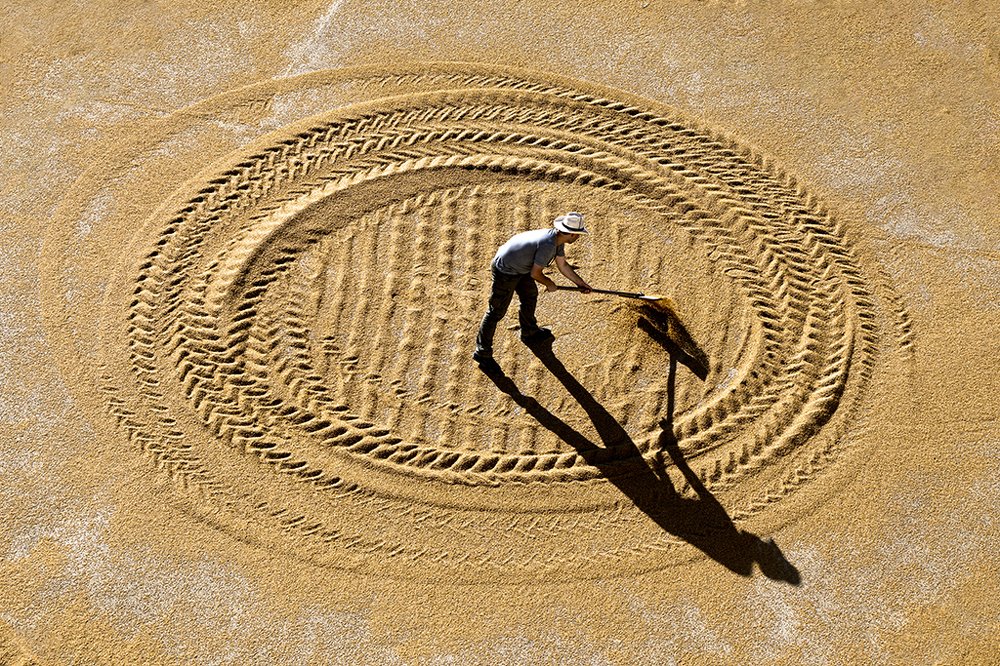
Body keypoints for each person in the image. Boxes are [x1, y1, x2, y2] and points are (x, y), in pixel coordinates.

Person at [473, 211, 593, 371]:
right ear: (571, 234)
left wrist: (581, 284)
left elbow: (563, 265)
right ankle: (482, 353)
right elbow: (535, 274)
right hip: (505, 270)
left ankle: (529, 331)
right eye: (578, 234)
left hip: (521, 266)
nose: (579, 237)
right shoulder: (548, 245)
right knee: (495, 312)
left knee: (530, 296)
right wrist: (549, 283)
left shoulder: (558, 240)